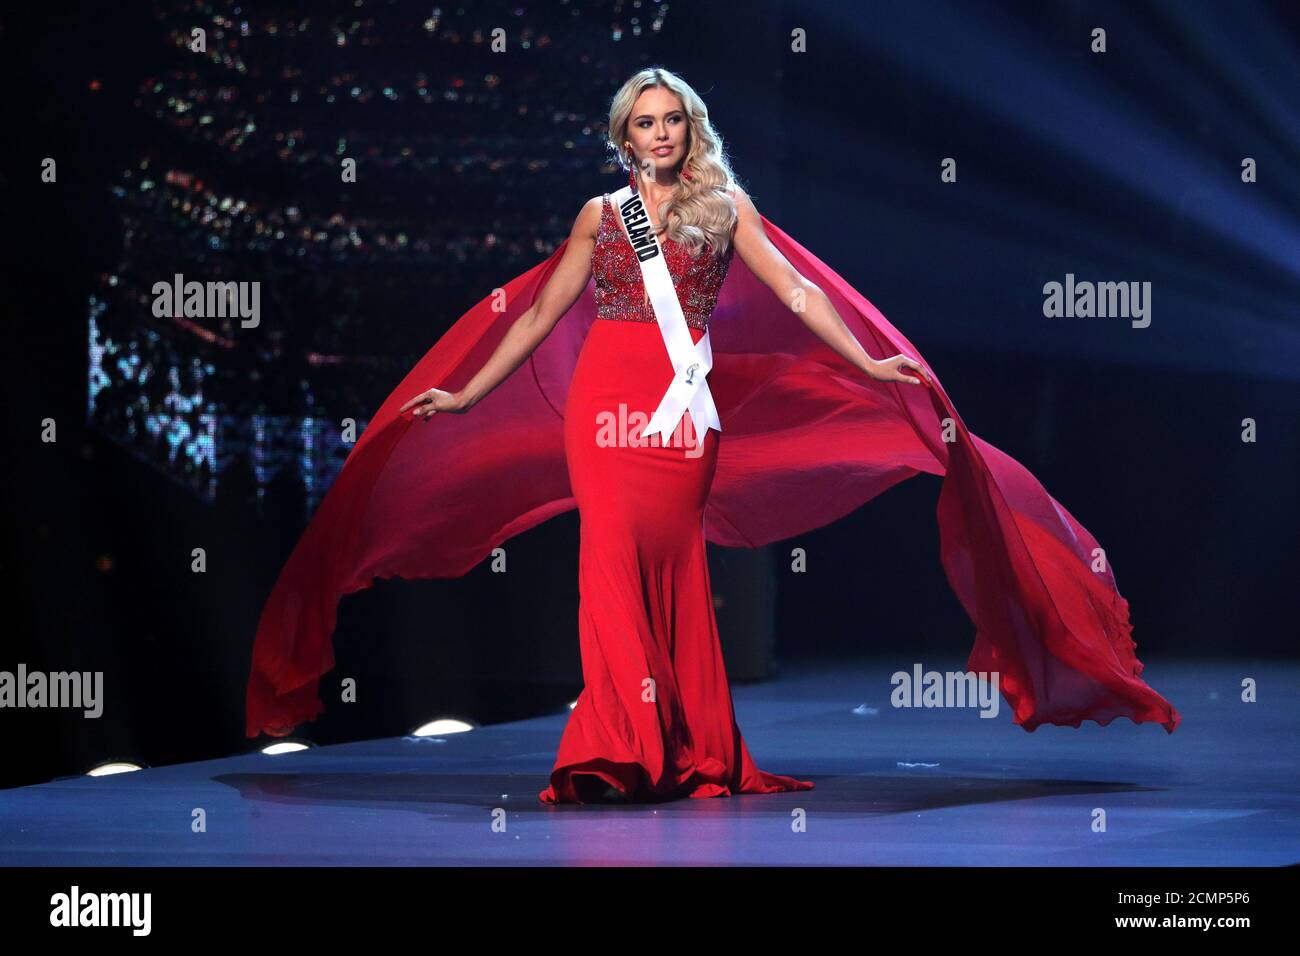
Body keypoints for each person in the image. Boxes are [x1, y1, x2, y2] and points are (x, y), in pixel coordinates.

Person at [245, 68, 1181, 804]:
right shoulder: (598, 217)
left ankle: (691, 749)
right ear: (622, 137)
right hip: (605, 406)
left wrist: (865, 363)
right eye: (645, 122)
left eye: (674, 121)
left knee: (677, 565)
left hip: (680, 417)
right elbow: (533, 321)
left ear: (691, 131)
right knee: (608, 562)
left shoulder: (726, 211)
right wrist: (464, 391)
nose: (661, 133)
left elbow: (801, 293)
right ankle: (616, 747)